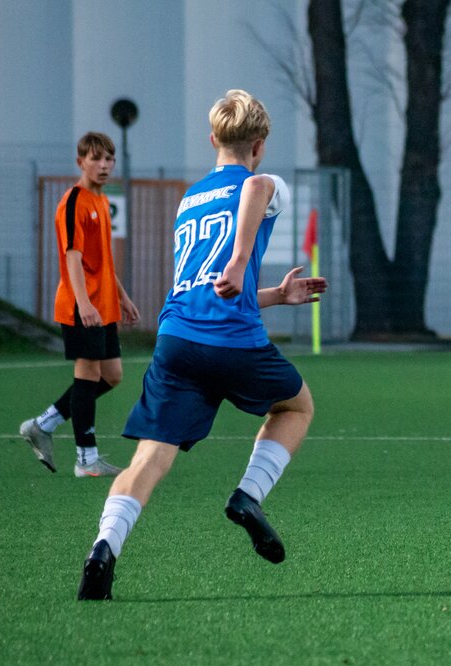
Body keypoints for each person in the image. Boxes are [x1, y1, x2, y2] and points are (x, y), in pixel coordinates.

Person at [77, 89, 327, 600]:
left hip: (177, 339)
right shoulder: (263, 182)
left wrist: (275, 295)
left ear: (212, 139)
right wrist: (240, 260)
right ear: (259, 145)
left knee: (149, 458)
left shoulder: (190, 199)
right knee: (296, 405)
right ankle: (248, 496)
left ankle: (103, 549)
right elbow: (256, 187)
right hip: (232, 340)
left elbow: (205, 286)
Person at [20, 132, 140, 478]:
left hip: (103, 303)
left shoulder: (101, 200)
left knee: (112, 375)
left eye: (109, 159)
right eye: (95, 158)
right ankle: (86, 459)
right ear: (80, 162)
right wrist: (84, 303)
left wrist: (121, 296)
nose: (104, 165)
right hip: (81, 304)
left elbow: (100, 261)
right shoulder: (73, 201)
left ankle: (42, 425)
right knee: (87, 374)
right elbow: (72, 257)